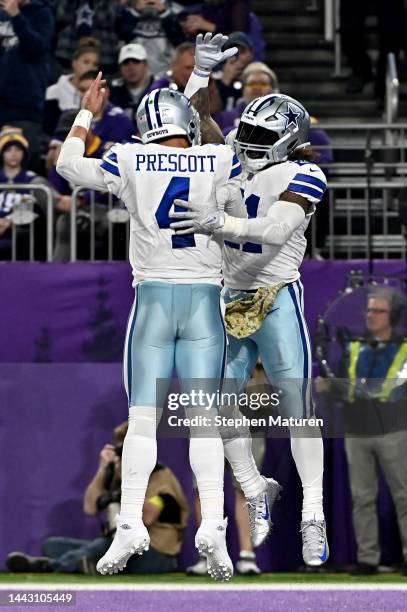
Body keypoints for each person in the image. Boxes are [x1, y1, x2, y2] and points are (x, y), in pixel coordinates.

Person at [55, 35, 243, 580]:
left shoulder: (131, 156)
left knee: (143, 420)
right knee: (206, 422)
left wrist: (85, 118)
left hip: (156, 299)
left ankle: (130, 525)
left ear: (144, 127)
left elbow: (68, 167)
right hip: (207, 300)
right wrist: (201, 80)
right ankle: (214, 530)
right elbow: (203, 131)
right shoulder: (217, 156)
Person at [172, 47, 330, 567]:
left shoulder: (306, 176)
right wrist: (202, 71)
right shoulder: (234, 159)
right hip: (230, 294)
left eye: (262, 136)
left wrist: (220, 224)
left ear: (287, 140)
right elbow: (198, 117)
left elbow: (274, 230)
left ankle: (313, 514)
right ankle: (253, 486)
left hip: (278, 294)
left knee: (298, 411)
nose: (248, 142)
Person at [6, 422, 189, 574]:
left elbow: (146, 518)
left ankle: (51, 566)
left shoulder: (161, 477)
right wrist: (104, 468)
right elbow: (90, 507)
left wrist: (115, 499)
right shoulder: (120, 476)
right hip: (121, 547)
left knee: (109, 543)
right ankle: (86, 563)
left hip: (155, 555)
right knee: (52, 545)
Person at [316, 289, 407, 575]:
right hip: (357, 430)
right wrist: (330, 388)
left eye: (377, 311)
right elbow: (344, 384)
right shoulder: (354, 348)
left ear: (391, 315)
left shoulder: (404, 348)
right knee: (361, 497)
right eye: (368, 310)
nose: (370, 315)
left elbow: (396, 389)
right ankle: (368, 558)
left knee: (403, 496)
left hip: (392, 430)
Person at [0, 0, 54, 163]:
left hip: (25, 107)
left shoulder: (42, 13)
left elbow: (36, 48)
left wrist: (16, 16)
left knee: (24, 163)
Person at [0, 126, 51, 260]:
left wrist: (8, 221)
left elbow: (33, 209)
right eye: (8, 150)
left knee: (23, 234)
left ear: (24, 153)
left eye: (18, 149)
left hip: (19, 234)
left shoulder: (32, 180)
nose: (13, 154)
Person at [44, 37, 100, 137]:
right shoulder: (53, 92)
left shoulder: (100, 94)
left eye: (95, 64)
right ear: (74, 63)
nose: (91, 67)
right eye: (86, 62)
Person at [115, 0, 186, 77]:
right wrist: (135, 12)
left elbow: (181, 43)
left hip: (166, 73)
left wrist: (164, 13)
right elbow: (120, 36)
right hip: (134, 73)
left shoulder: (177, 10)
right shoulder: (125, 9)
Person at [215, 61, 279, 136]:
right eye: (251, 83)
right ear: (243, 88)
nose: (257, 88)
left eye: (263, 83)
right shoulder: (224, 118)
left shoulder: (282, 119)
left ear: (273, 89)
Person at [110, 43, 154, 125]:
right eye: (126, 63)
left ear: (146, 65)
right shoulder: (113, 94)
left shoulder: (158, 89)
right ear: (120, 68)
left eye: (136, 61)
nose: (131, 67)